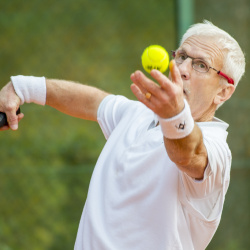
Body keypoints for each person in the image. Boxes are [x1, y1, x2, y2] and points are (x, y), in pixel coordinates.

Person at [0, 20, 245, 250]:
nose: (181, 69)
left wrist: (174, 116)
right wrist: (22, 88)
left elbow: (189, 155)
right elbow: (91, 101)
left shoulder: (216, 151)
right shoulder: (138, 115)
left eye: (201, 65)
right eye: (181, 56)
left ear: (223, 92)